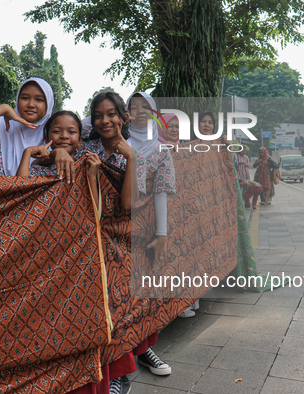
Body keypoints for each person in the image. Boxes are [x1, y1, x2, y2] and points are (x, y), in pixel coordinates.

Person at [126, 92, 177, 369]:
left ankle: (144, 350)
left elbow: (161, 193)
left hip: (142, 229)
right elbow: (90, 120)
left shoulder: (160, 149)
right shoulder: (113, 139)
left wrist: (162, 235)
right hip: (107, 227)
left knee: (144, 292)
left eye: (145, 106)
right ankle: (118, 364)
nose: (139, 111)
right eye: (132, 107)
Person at [16, 111, 102, 208]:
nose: (64, 136)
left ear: (80, 141)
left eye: (72, 132)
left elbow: (94, 210)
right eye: (57, 131)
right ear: (47, 139)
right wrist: (27, 152)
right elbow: (20, 194)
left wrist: (91, 176)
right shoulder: (39, 170)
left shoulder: (88, 167)